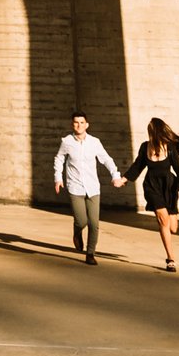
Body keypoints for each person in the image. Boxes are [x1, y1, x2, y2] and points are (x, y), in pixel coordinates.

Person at [52, 111, 125, 264]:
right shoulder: (67, 142)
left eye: (82, 122)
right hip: (75, 187)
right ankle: (77, 233)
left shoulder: (94, 142)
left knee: (94, 223)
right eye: (76, 123)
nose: (79, 125)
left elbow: (106, 159)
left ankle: (90, 253)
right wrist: (58, 178)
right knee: (81, 221)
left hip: (93, 188)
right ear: (72, 124)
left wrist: (115, 175)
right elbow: (59, 159)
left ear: (87, 124)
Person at [123, 117, 179, 271]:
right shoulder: (145, 147)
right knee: (163, 220)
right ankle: (170, 259)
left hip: (169, 187)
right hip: (152, 187)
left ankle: (169, 226)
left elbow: (178, 169)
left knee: (172, 228)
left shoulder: (170, 148)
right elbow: (137, 166)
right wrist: (124, 178)